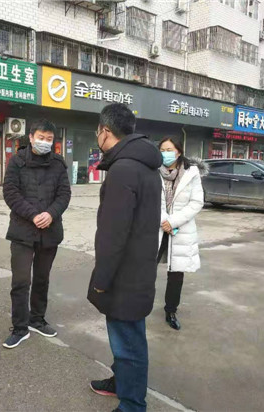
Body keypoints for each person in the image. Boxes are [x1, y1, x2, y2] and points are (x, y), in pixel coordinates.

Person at [88, 104, 162, 412]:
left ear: (105, 131)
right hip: (138, 268)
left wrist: (101, 280)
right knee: (128, 338)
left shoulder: (123, 170)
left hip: (124, 275)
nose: (97, 136)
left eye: (97, 131)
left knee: (128, 343)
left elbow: (113, 235)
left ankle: (132, 405)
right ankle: (121, 382)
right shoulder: (145, 166)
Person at [2, 119, 71, 349]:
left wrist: (51, 214)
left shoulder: (58, 164)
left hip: (50, 231)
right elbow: (10, 192)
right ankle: (20, 327)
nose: (44, 142)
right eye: (41, 138)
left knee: (42, 278)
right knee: (21, 281)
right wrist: (33, 215)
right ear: (31, 137)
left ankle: (37, 319)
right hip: (22, 231)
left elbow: (64, 194)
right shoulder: (17, 161)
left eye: (49, 139)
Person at [157, 136, 205, 330]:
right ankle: (140, 305)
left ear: (178, 151)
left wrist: (173, 222)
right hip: (157, 226)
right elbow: (150, 199)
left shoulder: (191, 173)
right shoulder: (154, 171)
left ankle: (171, 310)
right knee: (145, 269)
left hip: (181, 228)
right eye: (162, 150)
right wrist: (164, 221)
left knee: (176, 273)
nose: (165, 154)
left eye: (169, 150)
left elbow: (196, 202)